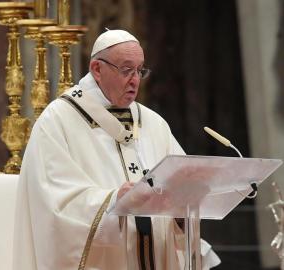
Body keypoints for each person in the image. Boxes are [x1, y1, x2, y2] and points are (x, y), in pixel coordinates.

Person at [13, 29, 220, 269]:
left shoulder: (153, 122)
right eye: (126, 70)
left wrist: (186, 201)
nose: (135, 80)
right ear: (97, 69)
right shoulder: (58, 120)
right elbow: (51, 202)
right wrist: (114, 200)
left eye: (140, 70)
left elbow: (182, 183)